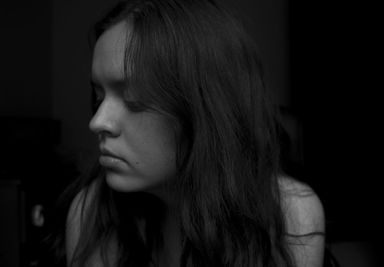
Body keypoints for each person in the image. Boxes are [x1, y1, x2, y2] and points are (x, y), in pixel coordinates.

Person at [57, 0, 325, 266]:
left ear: (204, 109)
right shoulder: (93, 213)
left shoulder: (289, 214)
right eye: (98, 96)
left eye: (133, 100)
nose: (98, 121)